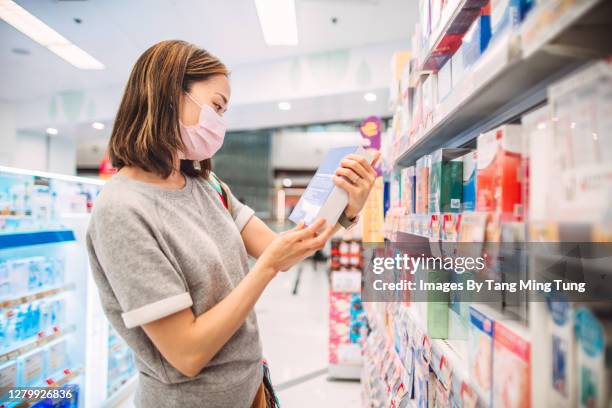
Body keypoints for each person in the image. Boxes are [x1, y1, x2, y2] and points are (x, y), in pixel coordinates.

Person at [86, 40, 379, 408]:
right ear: (168, 94)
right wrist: (266, 268)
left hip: (251, 390)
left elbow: (282, 250)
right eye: (216, 107)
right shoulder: (123, 209)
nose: (220, 123)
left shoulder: (206, 185)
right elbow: (187, 353)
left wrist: (346, 209)